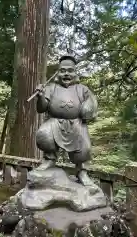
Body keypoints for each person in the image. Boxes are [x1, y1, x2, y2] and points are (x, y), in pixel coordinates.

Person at [35, 55, 98, 189]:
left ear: (75, 72)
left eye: (70, 70)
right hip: (55, 122)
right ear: (58, 72)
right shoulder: (51, 87)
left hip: (77, 124)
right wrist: (40, 96)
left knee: (84, 148)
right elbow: (41, 108)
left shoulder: (82, 89)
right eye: (63, 70)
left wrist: (88, 106)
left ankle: (81, 171)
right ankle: (49, 159)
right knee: (43, 135)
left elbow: (91, 102)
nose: (66, 74)